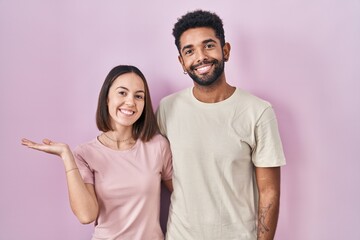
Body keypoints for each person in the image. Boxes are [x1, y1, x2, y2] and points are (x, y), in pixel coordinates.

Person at [156, 10, 286, 240]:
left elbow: (269, 191)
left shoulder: (258, 112)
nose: (200, 57)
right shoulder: (167, 108)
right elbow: (160, 167)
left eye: (208, 45)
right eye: (190, 51)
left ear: (225, 51)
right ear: (182, 62)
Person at [22, 65, 173, 240]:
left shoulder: (158, 146)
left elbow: (182, 196)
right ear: (107, 98)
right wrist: (66, 156)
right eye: (122, 93)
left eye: (139, 96)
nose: (131, 102)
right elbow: (86, 215)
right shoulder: (85, 154)